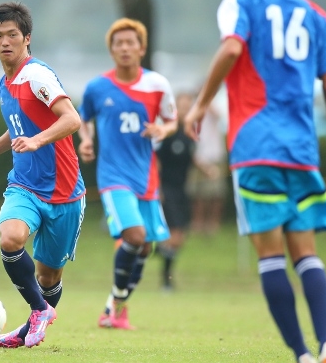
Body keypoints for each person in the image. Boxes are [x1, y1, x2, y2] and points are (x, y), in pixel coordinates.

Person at [183, 0, 326, 363]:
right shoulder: (317, 14)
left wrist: (201, 105)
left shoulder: (243, 0)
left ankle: (304, 358)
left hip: (255, 146)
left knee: (270, 256)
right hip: (301, 149)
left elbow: (229, 50)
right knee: (306, 253)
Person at [0, 1, 86, 349]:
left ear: (27, 38)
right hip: (25, 185)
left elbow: (71, 119)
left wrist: (39, 140)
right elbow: (17, 128)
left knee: (49, 276)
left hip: (64, 192)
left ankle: (29, 327)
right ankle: (37, 311)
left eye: (12, 35)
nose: (5, 41)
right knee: (10, 239)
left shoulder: (36, 75)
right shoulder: (5, 83)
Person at [78, 17, 177, 330]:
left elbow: (173, 120)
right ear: (111, 50)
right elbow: (82, 119)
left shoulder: (157, 85)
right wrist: (87, 139)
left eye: (130, 42)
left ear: (142, 49)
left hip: (146, 178)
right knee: (134, 236)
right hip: (113, 177)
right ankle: (115, 306)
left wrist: (163, 128)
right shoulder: (97, 87)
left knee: (145, 246)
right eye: (118, 43)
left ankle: (114, 307)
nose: (124, 48)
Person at [155, 92, 196, 292]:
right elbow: (157, 161)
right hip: (167, 189)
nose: (187, 110)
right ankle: (166, 280)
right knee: (175, 236)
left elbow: (191, 158)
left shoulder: (190, 133)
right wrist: (158, 188)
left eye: (189, 105)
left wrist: (207, 169)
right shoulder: (168, 132)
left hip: (182, 190)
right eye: (183, 106)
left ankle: (157, 249)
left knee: (180, 238)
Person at [186, 102, 227, 235]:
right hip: (199, 156)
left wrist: (208, 102)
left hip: (215, 156)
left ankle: (213, 224)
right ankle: (197, 223)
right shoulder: (193, 108)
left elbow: (220, 117)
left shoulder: (217, 105)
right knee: (198, 194)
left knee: (216, 193)